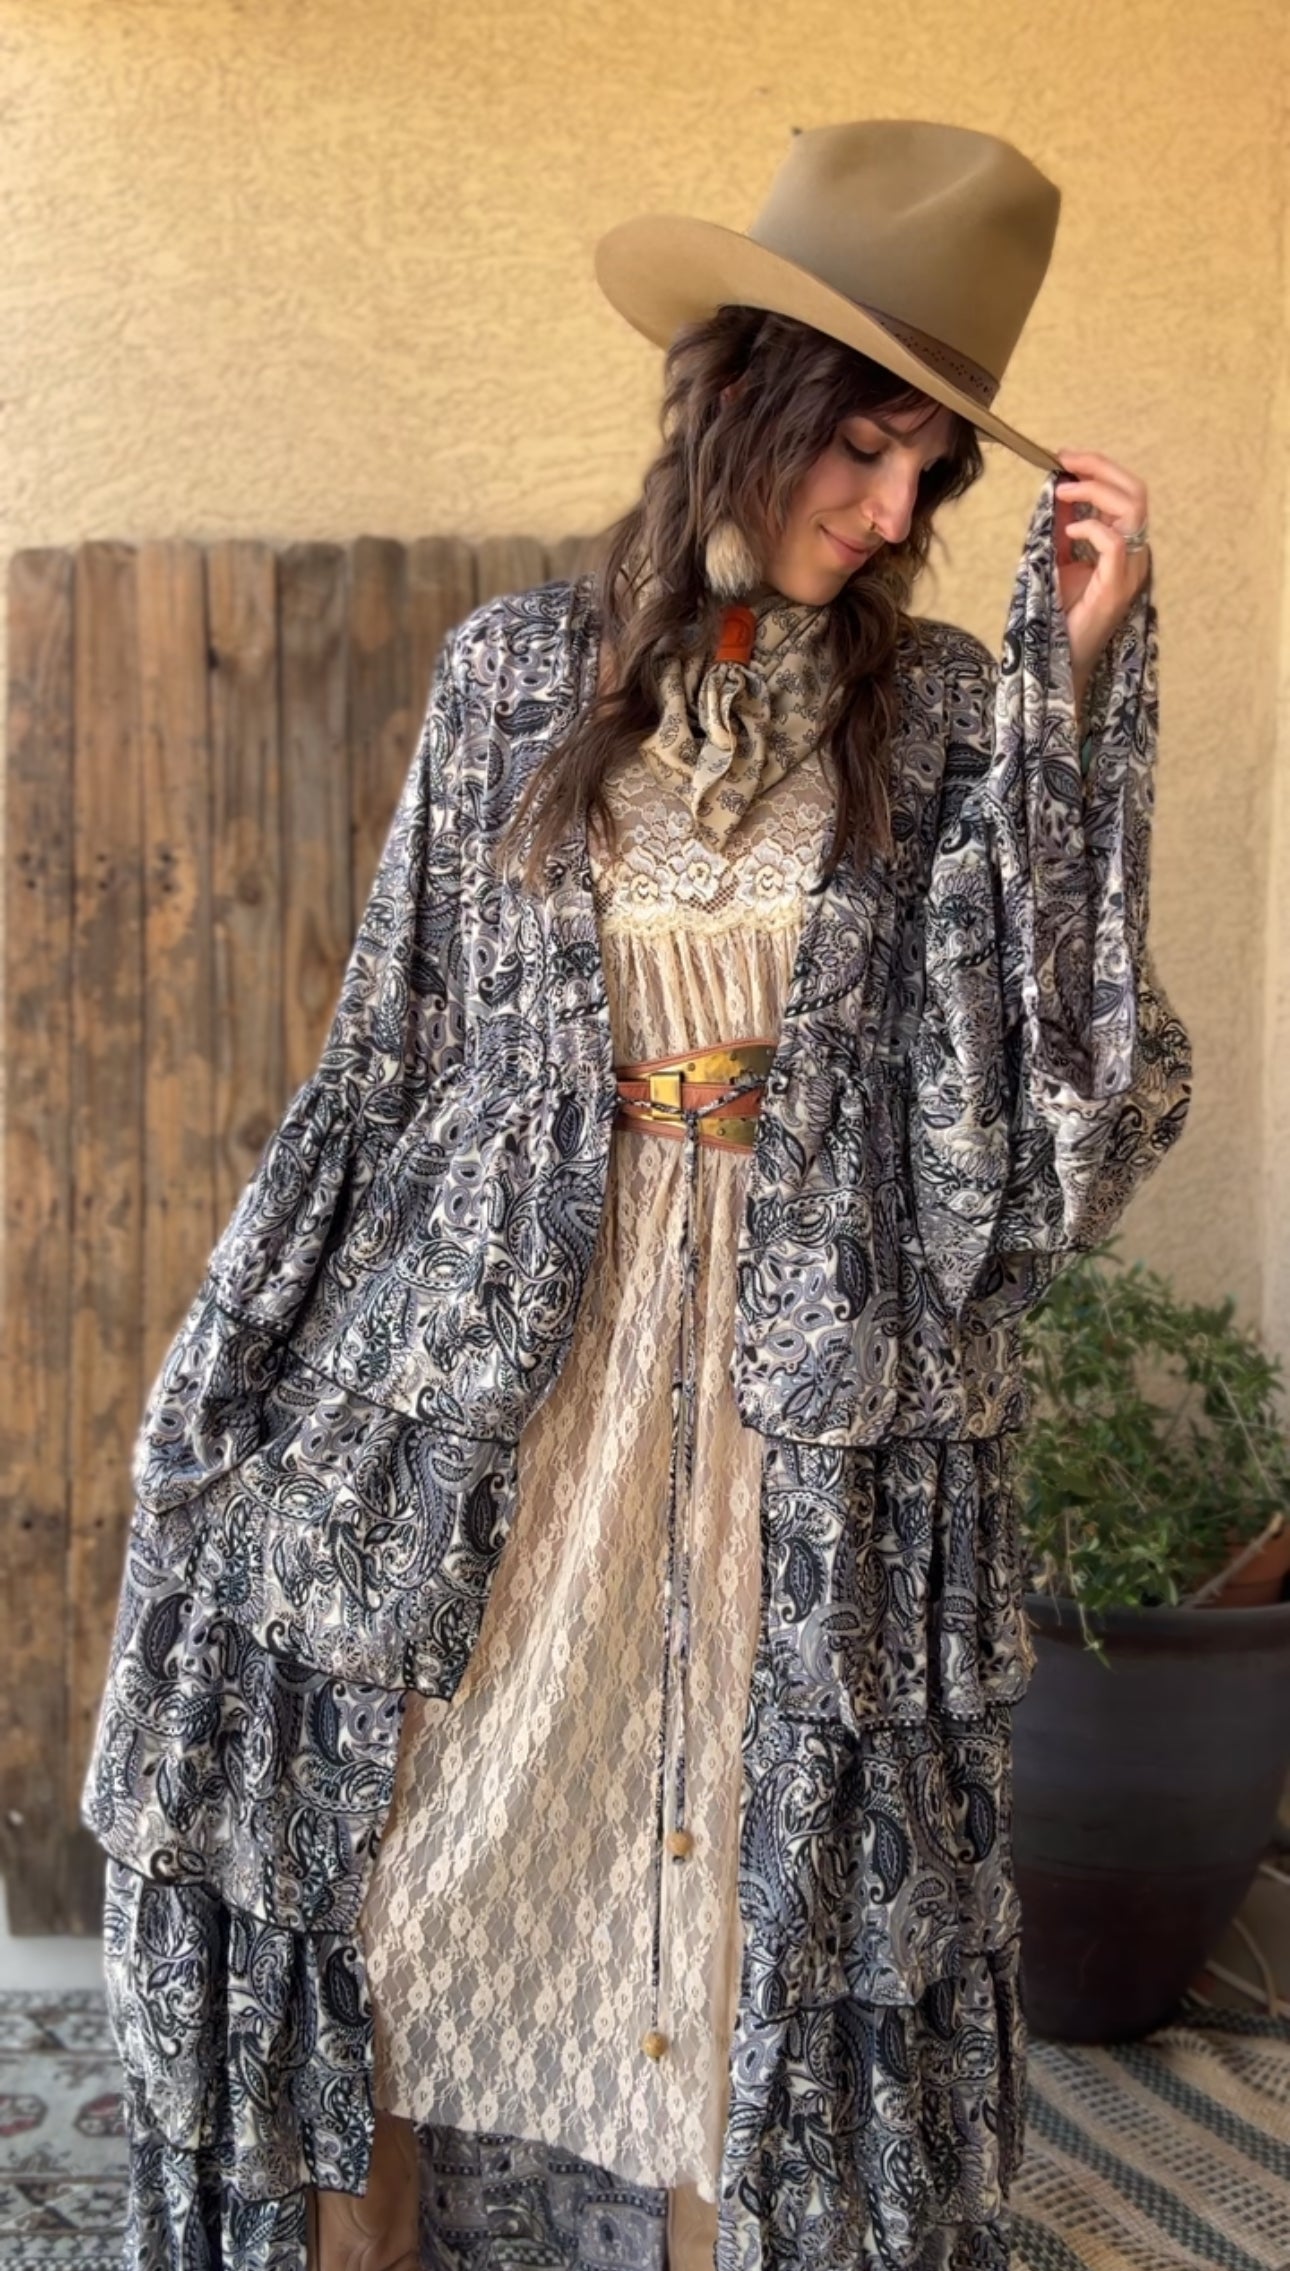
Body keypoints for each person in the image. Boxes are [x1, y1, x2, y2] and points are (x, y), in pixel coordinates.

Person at [83, 120, 1190, 2271]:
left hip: (795, 1409)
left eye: (931, 474)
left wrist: (1074, 685)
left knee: (745, 1921)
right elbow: (392, 1054)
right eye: (860, 448)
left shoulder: (950, 720)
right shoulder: (514, 674)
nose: (891, 514)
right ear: (744, 396)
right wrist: (260, 1356)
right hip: (516, 1372)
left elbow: (1039, 1109)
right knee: (401, 1856)